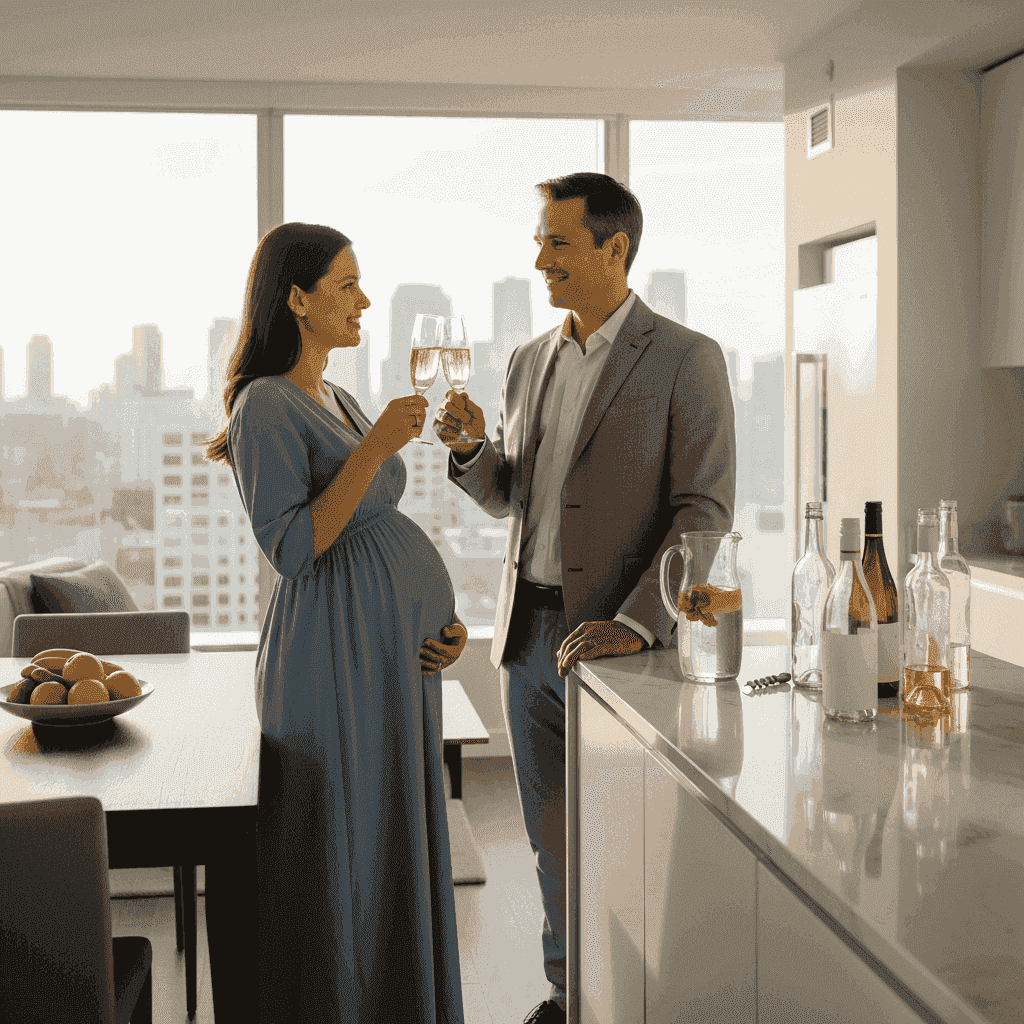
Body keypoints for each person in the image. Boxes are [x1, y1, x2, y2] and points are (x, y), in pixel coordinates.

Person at [433, 172, 736, 1024]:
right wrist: (470, 454)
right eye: (540, 241)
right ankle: (570, 998)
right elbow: (513, 496)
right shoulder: (530, 360)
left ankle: (637, 998)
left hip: (619, 644)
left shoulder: (687, 357)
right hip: (528, 639)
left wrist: (636, 624)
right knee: (552, 840)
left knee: (628, 839)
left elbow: (704, 509)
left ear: (616, 249)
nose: (540, 259)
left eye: (558, 242)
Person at [205, 222, 468, 1024]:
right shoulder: (264, 405)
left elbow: (371, 522)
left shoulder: (338, 395)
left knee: (390, 840)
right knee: (340, 851)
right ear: (297, 297)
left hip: (389, 659)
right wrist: (378, 445)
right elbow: (291, 545)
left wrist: (442, 622)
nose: (365, 300)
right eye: (347, 285)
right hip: (330, 656)